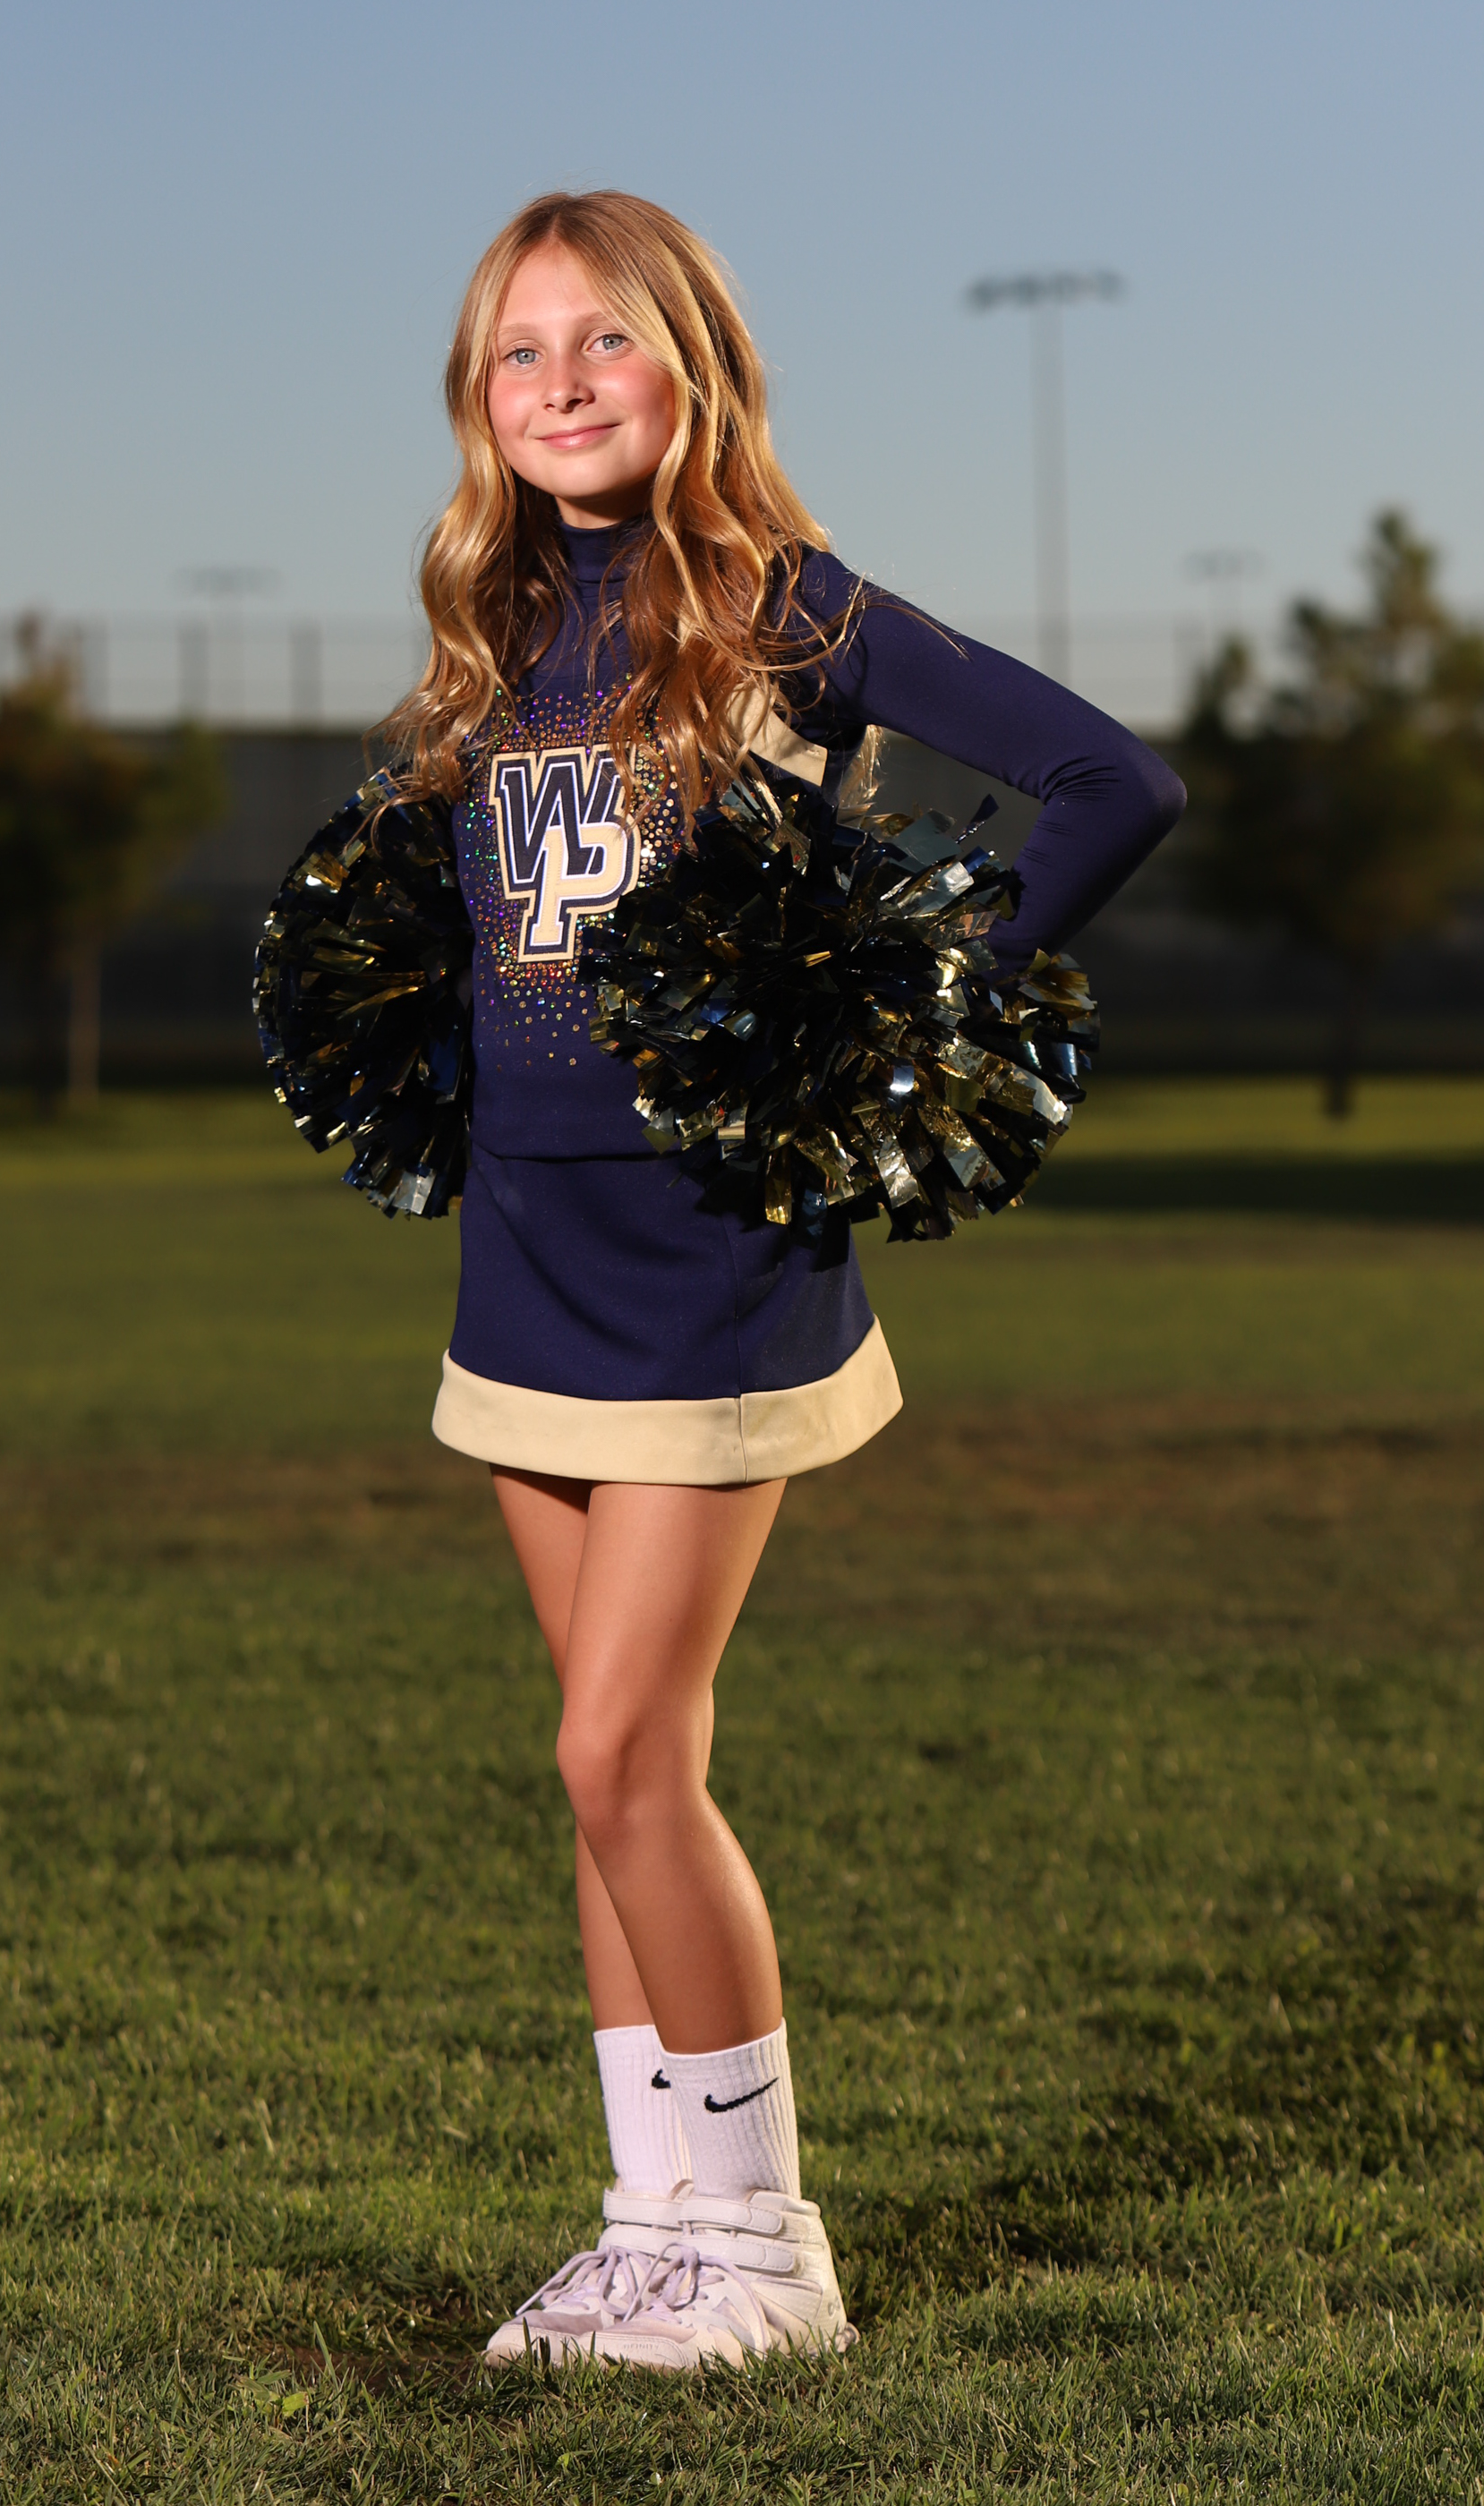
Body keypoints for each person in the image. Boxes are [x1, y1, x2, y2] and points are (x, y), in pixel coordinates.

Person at [371, 191, 1184, 2370]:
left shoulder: (780, 605)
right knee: (601, 1768)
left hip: (709, 1258)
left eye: (603, 340)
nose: (558, 382)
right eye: (518, 348)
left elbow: (1113, 779)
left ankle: (765, 2246)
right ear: (475, 395)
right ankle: (654, 2223)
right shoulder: (490, 625)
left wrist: (918, 993)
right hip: (524, 1253)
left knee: (623, 1745)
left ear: (694, 368)